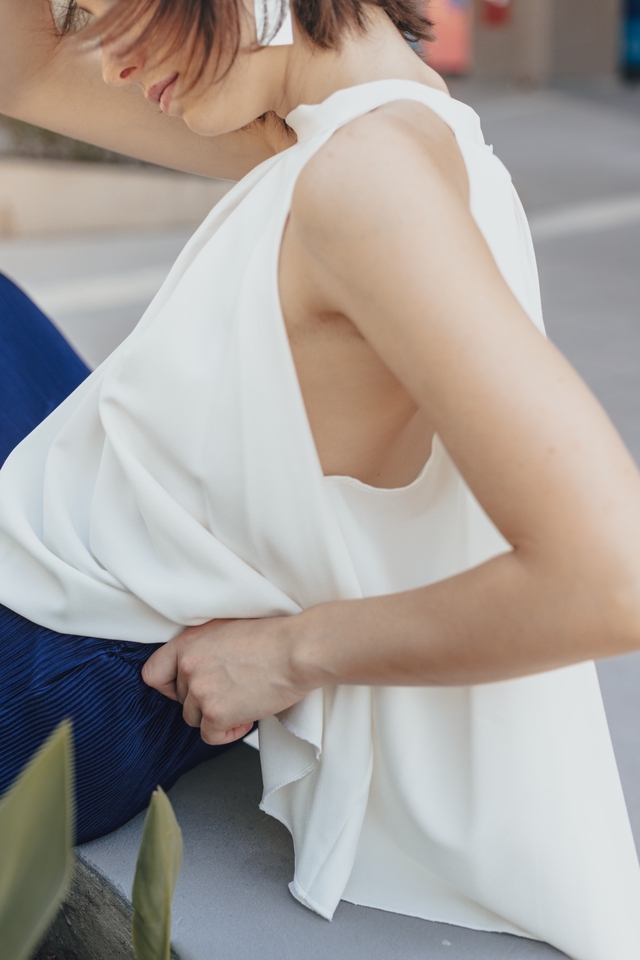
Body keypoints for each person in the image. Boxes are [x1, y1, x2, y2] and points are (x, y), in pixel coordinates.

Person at [0, 0, 639, 956]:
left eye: (114, 14)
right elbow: (22, 70)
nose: (109, 63)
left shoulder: (366, 181)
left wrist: (290, 654)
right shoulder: (334, 129)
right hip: (81, 586)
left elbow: (612, 576)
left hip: (62, 674)